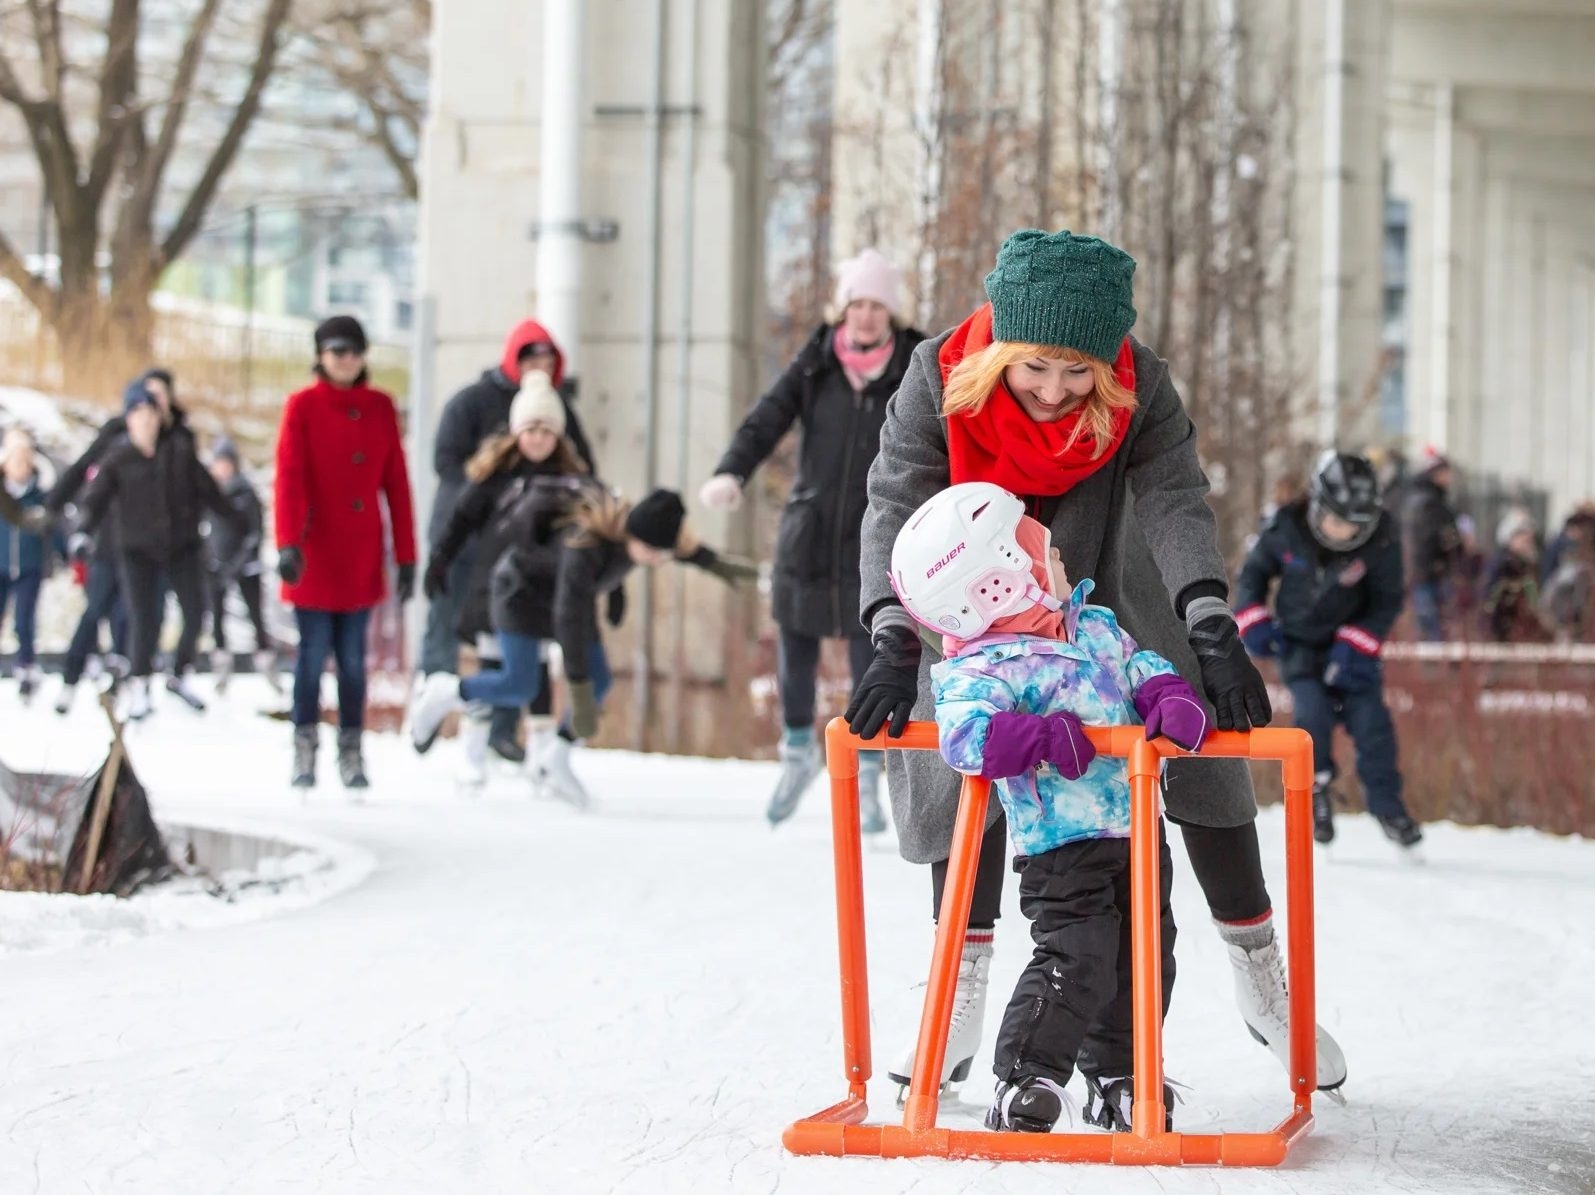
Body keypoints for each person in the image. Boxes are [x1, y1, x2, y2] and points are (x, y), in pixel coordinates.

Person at [847, 228, 1347, 1098]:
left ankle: (1260, 971)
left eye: (1079, 372)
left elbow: (1175, 499)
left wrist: (1209, 620)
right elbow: (895, 497)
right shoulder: (934, 376)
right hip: (974, 614)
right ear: (1002, 344)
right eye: (1036, 366)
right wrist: (892, 629)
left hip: (1105, 596)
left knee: (1202, 735)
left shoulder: (1140, 384)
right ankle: (958, 989)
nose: (1053, 391)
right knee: (954, 745)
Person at [895, 483, 1209, 1132]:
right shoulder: (981, 666)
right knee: (1078, 956)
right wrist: (1037, 737)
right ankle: (1025, 1078)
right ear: (1000, 584)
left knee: (1147, 954)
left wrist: (1167, 694)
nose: (1059, 554)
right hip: (1063, 845)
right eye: (1042, 550)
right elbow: (963, 737)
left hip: (1137, 829)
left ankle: (1120, 1073)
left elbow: (1139, 664)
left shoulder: (1092, 625)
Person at [700, 248, 924, 832]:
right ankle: (797, 756)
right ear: (841, 307)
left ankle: (872, 776)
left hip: (875, 536)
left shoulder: (915, 366)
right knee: (793, 648)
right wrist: (732, 471)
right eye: (857, 303)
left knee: (869, 656)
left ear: (892, 313)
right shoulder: (816, 362)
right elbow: (765, 418)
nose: (867, 316)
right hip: (809, 529)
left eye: (878, 305)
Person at [411, 487, 756, 807]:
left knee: (600, 681)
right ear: (632, 535)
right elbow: (568, 616)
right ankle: (444, 690)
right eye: (651, 552)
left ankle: (554, 760)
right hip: (522, 597)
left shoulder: (644, 536)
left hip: (572, 603)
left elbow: (685, 549)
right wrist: (576, 685)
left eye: (661, 553)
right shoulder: (583, 546)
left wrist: (723, 567)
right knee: (520, 685)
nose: (655, 559)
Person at [421, 319, 596, 764]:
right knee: (451, 630)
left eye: (547, 360)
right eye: (531, 358)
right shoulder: (473, 402)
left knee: (513, 644)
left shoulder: (559, 414)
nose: (539, 366)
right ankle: (431, 708)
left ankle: (502, 731)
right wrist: (497, 496)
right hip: (467, 544)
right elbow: (446, 461)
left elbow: (585, 475)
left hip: (521, 557)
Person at [1236, 452, 1422, 849]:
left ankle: (1388, 807)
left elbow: (1387, 600)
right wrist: (1253, 619)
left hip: (1352, 652)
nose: (1343, 533)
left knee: (1373, 726)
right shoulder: (1286, 526)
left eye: (1354, 525)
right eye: (1336, 521)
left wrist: (1358, 642)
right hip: (1298, 646)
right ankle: (1315, 794)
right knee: (1311, 718)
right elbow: (1252, 575)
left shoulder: (1382, 540)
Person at [275, 315, 418, 789]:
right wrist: (288, 543)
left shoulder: (380, 407)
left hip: (359, 553)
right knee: (312, 658)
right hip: (315, 555)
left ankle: (352, 751)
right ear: (320, 356)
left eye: (353, 352)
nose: (345, 361)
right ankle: (304, 747)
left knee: (354, 661)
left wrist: (407, 555)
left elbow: (396, 484)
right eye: (337, 352)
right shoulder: (302, 406)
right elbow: (289, 479)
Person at [78, 380, 240, 720]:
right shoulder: (118, 458)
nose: (146, 421)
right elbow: (93, 501)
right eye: (138, 414)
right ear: (129, 418)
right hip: (136, 550)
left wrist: (238, 519)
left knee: (196, 612)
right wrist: (82, 532)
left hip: (182, 547)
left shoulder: (178, 451)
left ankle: (179, 672)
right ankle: (139, 684)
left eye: (151, 413)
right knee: (145, 618)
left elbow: (208, 491)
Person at [47, 368, 185, 712]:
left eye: (158, 399)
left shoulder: (174, 442)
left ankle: (129, 680)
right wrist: (57, 507)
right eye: (144, 400)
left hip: (152, 546)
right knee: (95, 608)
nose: (150, 409)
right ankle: (71, 677)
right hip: (111, 539)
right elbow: (83, 473)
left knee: (138, 616)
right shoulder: (114, 436)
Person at [203, 437, 277, 693]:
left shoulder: (245, 493)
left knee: (255, 615)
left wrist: (241, 560)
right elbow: (207, 530)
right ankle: (221, 663)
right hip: (217, 563)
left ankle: (267, 662)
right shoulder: (210, 493)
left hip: (245, 565)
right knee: (217, 617)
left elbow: (255, 531)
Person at [1, 427, 62, 700]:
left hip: (29, 565)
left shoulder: (40, 495)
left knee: (24, 619)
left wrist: (66, 554)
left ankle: (26, 667)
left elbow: (54, 528)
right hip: (1, 565)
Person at [1400, 447, 1461, 642]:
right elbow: (1433, 539)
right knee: (1431, 628)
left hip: (1425, 574)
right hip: (1429, 575)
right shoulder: (1429, 503)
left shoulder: (1421, 499)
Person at [1481, 510, 1549, 644]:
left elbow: (1534, 601)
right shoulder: (1503, 566)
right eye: (1521, 535)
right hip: (1502, 635)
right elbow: (1491, 601)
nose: (1527, 540)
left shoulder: (1527, 565)